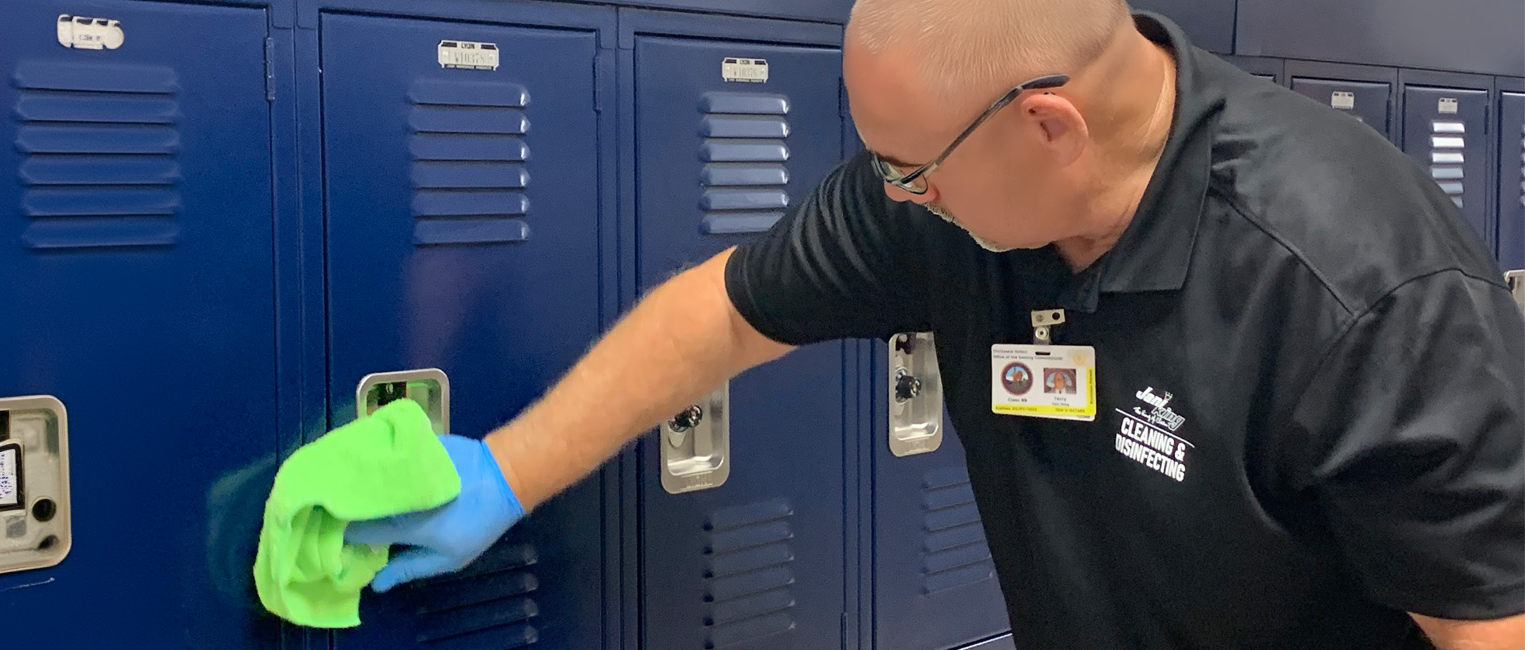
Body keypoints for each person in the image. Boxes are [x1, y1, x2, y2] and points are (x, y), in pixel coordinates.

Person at [342, 1, 1525, 647]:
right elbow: (720, 311)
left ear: (1046, 126)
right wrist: (500, 472)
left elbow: (1486, 624)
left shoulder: (1357, 291)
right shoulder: (947, 202)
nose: (889, 192)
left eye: (908, 167)